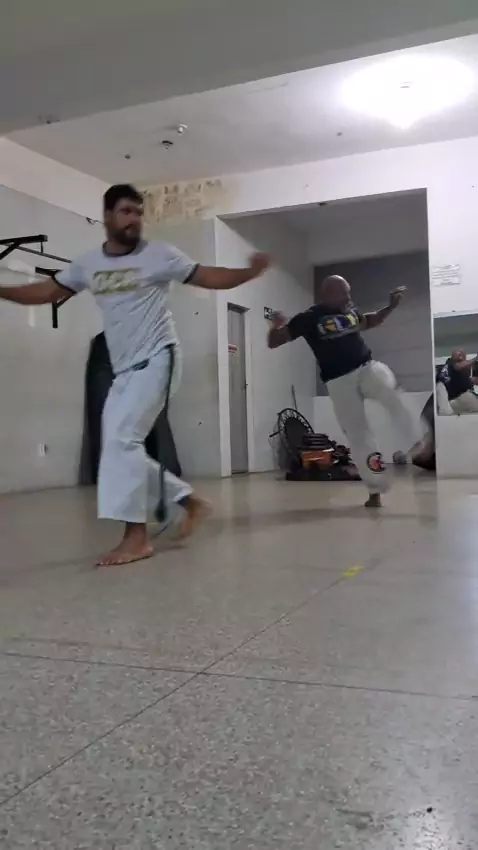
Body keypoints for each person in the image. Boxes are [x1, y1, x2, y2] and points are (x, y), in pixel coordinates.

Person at [0, 184, 270, 565]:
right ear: (108, 216)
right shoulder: (88, 264)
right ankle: (188, 500)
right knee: (115, 446)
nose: (134, 219)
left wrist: (249, 273)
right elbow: (47, 292)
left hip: (159, 358)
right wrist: (2, 291)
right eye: (126, 211)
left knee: (123, 441)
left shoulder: (160, 255)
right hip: (124, 370)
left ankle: (136, 537)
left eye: (139, 213)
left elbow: (207, 276)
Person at [267, 275, 421, 507]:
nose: (349, 298)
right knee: (358, 434)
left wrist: (390, 307)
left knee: (389, 389)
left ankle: (416, 441)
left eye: (349, 293)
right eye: (344, 294)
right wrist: (276, 325)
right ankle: (375, 489)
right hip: (339, 381)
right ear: (327, 294)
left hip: (366, 367)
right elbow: (274, 341)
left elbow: (369, 320)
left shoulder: (349, 308)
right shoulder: (308, 318)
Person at [438, 350, 478, 414]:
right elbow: (458, 366)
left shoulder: (451, 373)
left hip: (454, 402)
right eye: (460, 355)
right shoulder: (451, 364)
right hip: (460, 397)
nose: (462, 358)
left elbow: (471, 380)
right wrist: (475, 358)